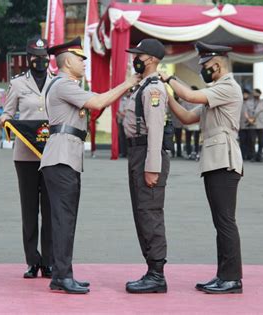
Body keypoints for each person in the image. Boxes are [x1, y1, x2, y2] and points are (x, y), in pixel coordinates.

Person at [39, 37, 140, 294]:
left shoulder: (66, 85)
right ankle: (62, 276)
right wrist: (127, 83)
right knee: (63, 220)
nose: (84, 63)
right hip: (62, 158)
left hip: (66, 157)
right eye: (80, 59)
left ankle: (61, 274)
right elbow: (96, 102)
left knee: (65, 219)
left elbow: (92, 109)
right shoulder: (63, 84)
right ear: (68, 61)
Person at [159, 41, 244, 294]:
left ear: (216, 65)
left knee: (226, 221)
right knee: (221, 222)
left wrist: (169, 78)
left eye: (205, 66)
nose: (203, 71)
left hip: (224, 160)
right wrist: (168, 97)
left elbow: (191, 96)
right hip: (214, 160)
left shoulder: (227, 87)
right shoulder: (216, 91)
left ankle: (232, 279)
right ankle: (223, 275)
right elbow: (186, 117)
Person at [0, 36, 54, 279]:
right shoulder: (18, 84)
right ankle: (32, 260)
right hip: (25, 155)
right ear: (28, 57)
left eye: (43, 57)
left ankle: (49, 261)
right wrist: (6, 122)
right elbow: (7, 113)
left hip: (53, 154)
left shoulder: (58, 82)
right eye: (35, 56)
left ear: (48, 58)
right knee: (29, 210)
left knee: (51, 210)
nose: (39, 60)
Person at [122, 39, 170, 294]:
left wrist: (153, 166)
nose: (135, 59)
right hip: (138, 153)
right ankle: (152, 270)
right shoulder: (141, 86)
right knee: (142, 212)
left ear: (150, 58)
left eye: (138, 55)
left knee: (150, 212)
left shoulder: (153, 90)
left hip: (147, 154)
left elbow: (156, 132)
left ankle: (157, 274)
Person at [245, 88, 263, 162]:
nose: (255, 95)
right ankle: (253, 156)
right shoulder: (248, 102)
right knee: (252, 141)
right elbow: (245, 112)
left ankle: (259, 156)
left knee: (261, 141)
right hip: (252, 124)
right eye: (254, 93)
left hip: (261, 124)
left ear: (259, 94)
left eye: (257, 93)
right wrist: (248, 119)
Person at [182, 87, 202, 160]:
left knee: (195, 139)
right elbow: (183, 110)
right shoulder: (188, 100)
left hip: (196, 123)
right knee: (189, 139)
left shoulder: (199, 100)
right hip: (190, 123)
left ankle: (195, 153)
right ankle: (189, 153)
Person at [239, 89, 251, 160]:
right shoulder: (239, 102)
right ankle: (243, 155)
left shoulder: (251, 103)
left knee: (250, 141)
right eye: (244, 94)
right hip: (241, 125)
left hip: (250, 125)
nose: (245, 95)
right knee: (242, 141)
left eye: (246, 94)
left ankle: (249, 155)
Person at [117, 92, 130, 158]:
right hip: (122, 121)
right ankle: (123, 152)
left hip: (130, 122)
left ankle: (128, 153)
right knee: (122, 137)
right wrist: (127, 112)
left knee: (128, 137)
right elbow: (120, 111)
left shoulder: (132, 99)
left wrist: (127, 112)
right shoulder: (122, 100)